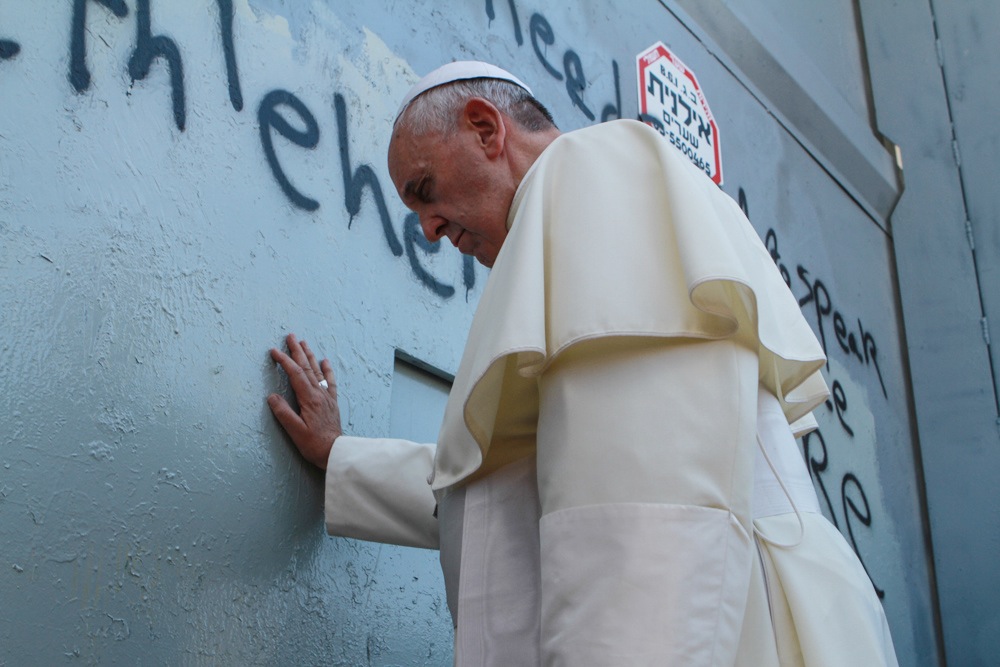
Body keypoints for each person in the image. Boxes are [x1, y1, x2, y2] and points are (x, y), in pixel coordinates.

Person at [267, 61, 898, 666]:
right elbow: (502, 492)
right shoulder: (578, 213)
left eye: (425, 191)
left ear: (486, 128)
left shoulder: (595, 175)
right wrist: (339, 455)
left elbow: (645, 520)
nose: (429, 231)